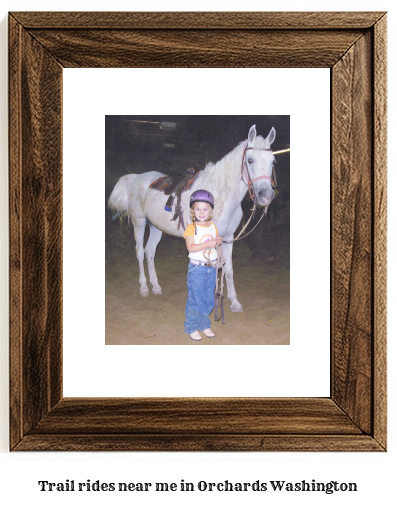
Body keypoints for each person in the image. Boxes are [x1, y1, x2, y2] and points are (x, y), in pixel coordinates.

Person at [183, 189, 222, 341]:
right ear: (193, 210)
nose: (201, 212)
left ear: (210, 210)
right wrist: (208, 244)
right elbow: (191, 248)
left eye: (205, 209)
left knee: (208, 298)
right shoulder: (191, 228)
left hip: (211, 268)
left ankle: (204, 324)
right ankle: (192, 327)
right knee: (196, 298)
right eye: (197, 209)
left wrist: (217, 241)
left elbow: (214, 242)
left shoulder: (213, 226)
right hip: (197, 268)